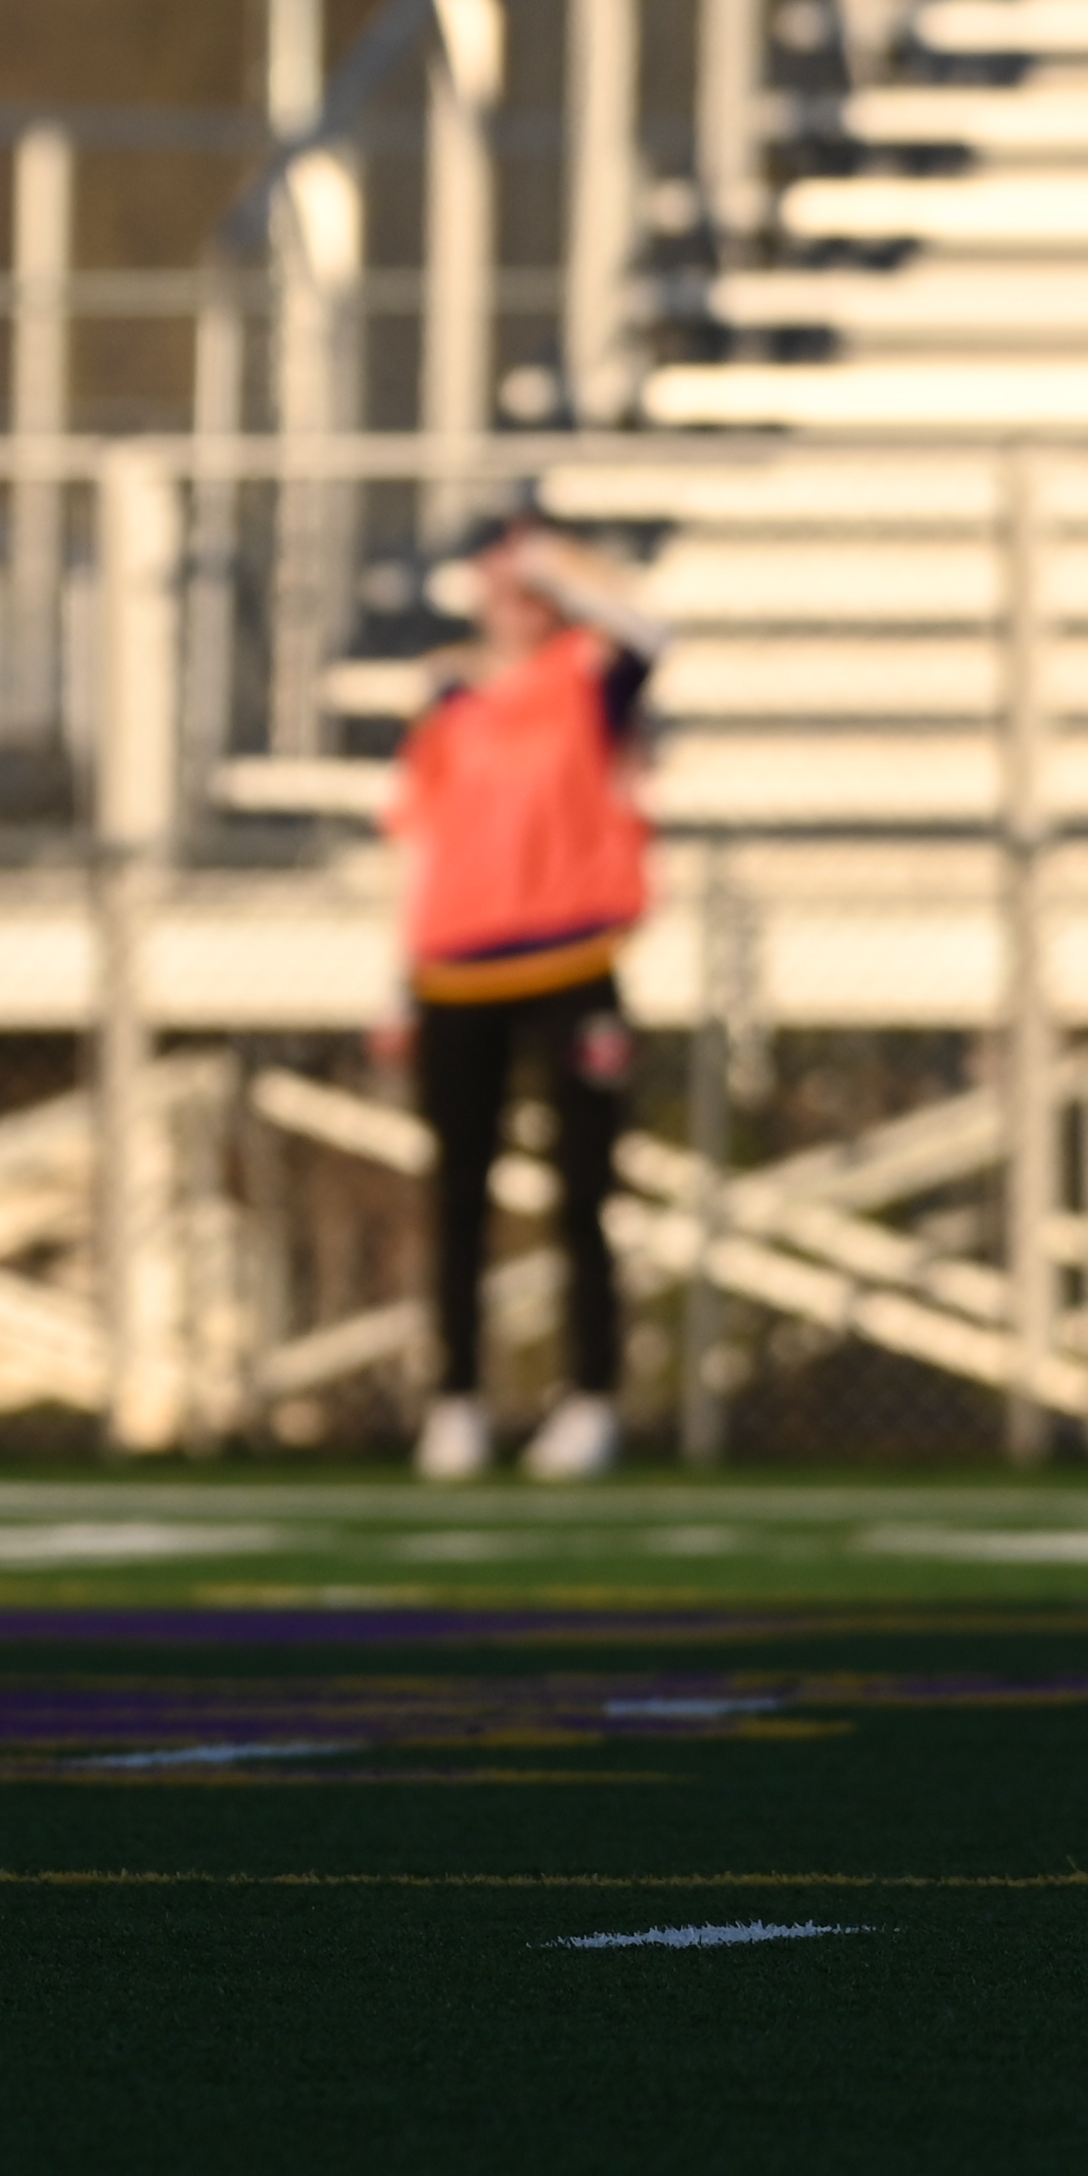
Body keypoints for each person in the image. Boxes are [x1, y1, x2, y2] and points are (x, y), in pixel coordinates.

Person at [381, 511, 668, 1483]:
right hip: (455, 966)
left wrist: (557, 562)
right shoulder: (449, 694)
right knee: (458, 1192)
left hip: (571, 957)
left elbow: (651, 633)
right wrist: (393, 983)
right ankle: (456, 1397)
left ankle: (589, 1396)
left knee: (582, 1190)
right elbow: (417, 839)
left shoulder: (588, 673)